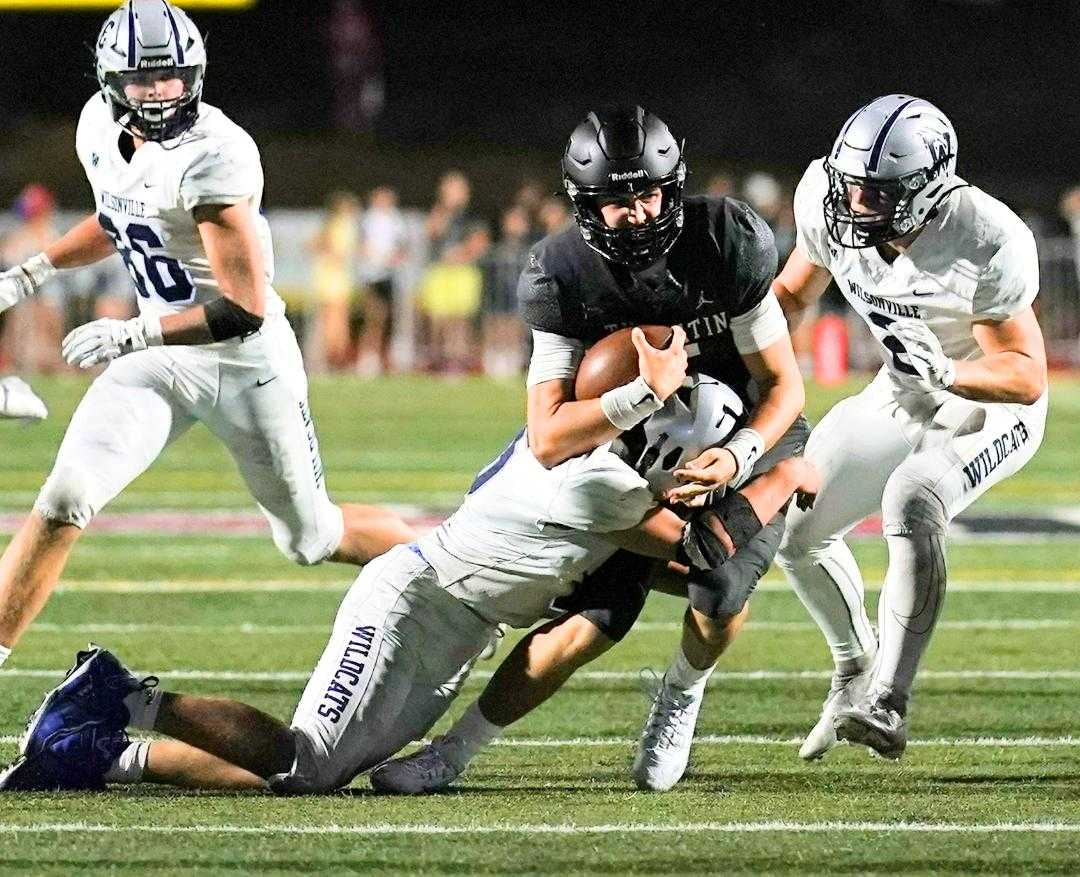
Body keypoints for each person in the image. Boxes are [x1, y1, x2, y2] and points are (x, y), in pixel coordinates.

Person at [0, 371, 820, 793]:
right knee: (305, 762)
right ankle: (118, 695)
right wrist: (787, 474)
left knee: (314, 772)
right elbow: (706, 548)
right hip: (414, 609)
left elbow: (679, 559)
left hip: (450, 626)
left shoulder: (597, 461)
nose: (710, 476)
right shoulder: (603, 484)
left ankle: (103, 754)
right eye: (704, 462)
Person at [379, 106, 808, 794]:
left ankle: (681, 691)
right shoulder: (562, 272)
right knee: (592, 617)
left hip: (744, 428)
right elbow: (548, 436)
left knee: (719, 584)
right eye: (617, 199)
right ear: (585, 203)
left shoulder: (725, 240)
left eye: (650, 193)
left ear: (674, 186)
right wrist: (643, 391)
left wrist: (741, 455)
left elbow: (783, 384)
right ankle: (452, 753)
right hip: (629, 443)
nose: (638, 213)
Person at [0, 0, 413, 674]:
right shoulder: (98, 126)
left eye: (171, 75)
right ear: (110, 81)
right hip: (159, 357)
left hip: (240, 361)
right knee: (64, 497)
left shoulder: (214, 154)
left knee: (311, 538)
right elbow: (120, 218)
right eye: (143, 78)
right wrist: (30, 273)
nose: (160, 91)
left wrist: (132, 333)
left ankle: (446, 573)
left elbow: (244, 308)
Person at [772, 95, 1048, 760]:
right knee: (792, 523)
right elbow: (791, 296)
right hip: (902, 389)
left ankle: (887, 701)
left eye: (877, 191)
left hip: (989, 402)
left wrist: (951, 372)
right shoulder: (825, 200)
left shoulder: (984, 237)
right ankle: (853, 667)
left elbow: (1025, 375)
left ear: (927, 187)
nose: (855, 202)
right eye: (851, 184)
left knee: (913, 496)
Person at [0, 184, 67, 373]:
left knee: (48, 319)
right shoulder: (20, 235)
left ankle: (53, 362)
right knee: (19, 322)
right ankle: (17, 361)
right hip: (24, 292)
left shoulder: (51, 234)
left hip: (49, 292)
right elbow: (8, 257)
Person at [355, 186, 407, 375]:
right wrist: (380, 258)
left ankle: (384, 356)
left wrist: (395, 258)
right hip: (371, 275)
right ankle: (367, 356)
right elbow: (362, 246)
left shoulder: (396, 220)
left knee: (388, 318)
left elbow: (402, 246)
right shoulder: (368, 219)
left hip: (389, 275)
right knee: (373, 317)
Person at [309, 191, 361, 370]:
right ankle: (333, 358)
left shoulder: (333, 225)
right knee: (334, 320)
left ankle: (332, 358)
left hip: (331, 277)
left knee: (333, 320)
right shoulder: (342, 226)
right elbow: (337, 252)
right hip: (333, 279)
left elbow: (314, 245)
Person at [481, 205, 531, 377]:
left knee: (514, 325)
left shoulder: (530, 249)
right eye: (512, 221)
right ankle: (493, 359)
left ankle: (512, 360)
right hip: (497, 294)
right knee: (496, 323)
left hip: (518, 295)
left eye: (520, 221)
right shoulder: (496, 249)